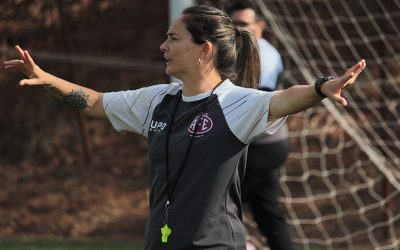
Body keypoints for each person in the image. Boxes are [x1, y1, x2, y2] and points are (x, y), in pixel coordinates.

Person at [3, 5, 365, 250]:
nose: (163, 46)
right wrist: (46, 78)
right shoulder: (158, 100)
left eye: (173, 38)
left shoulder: (236, 103)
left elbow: (285, 98)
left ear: (204, 50)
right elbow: (96, 103)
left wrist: (321, 87)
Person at [228, 2, 292, 249]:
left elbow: (256, 106)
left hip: (261, 146)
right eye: (233, 23)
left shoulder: (263, 56)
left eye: (244, 24)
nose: (238, 28)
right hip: (268, 144)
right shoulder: (239, 51)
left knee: (219, 203)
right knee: (267, 212)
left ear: (260, 26)